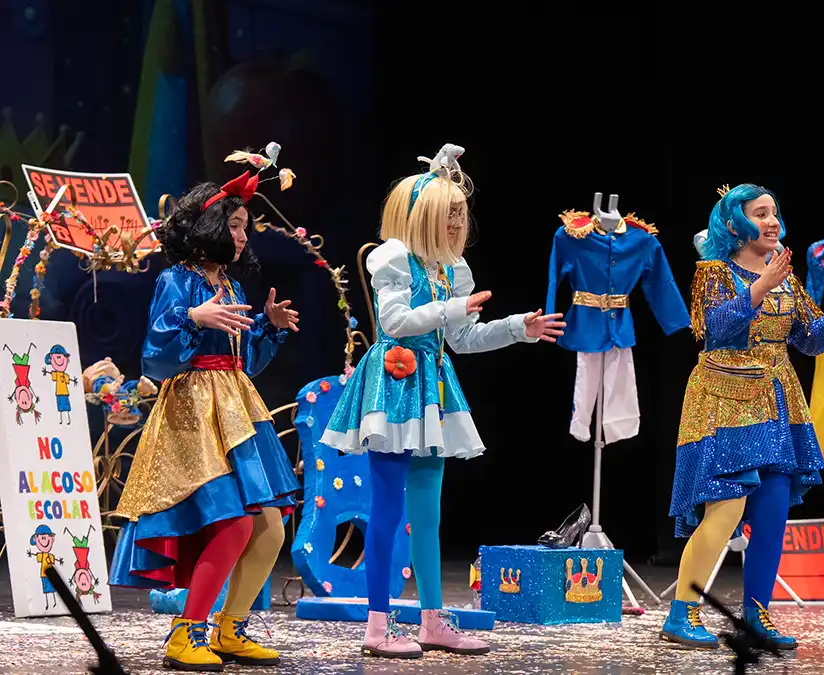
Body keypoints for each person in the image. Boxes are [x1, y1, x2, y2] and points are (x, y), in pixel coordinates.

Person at [320, 144, 565, 659]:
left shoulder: (456, 272)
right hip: (393, 385)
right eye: (449, 214)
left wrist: (519, 329)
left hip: (431, 391)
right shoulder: (393, 259)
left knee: (428, 516)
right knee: (386, 511)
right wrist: (451, 308)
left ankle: (432, 621)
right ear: (424, 217)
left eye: (461, 214)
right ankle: (377, 625)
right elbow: (394, 324)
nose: (458, 223)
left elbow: (466, 338)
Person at [109, 154, 301, 671]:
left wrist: (269, 327)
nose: (242, 236)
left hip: (236, 409)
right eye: (234, 225)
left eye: (245, 227)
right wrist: (194, 315)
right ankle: (185, 632)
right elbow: (157, 354)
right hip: (194, 416)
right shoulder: (178, 279)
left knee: (271, 528)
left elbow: (247, 361)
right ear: (210, 226)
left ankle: (230, 628)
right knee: (234, 525)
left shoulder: (234, 287)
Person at [662, 183, 824, 650]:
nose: (772, 221)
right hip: (725, 398)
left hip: (777, 401)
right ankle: (681, 613)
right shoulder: (713, 272)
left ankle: (757, 616)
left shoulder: (786, 276)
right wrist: (760, 287)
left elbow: (808, 340)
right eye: (761, 214)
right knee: (725, 506)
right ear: (735, 222)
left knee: (774, 511)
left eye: (775, 212)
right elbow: (713, 329)